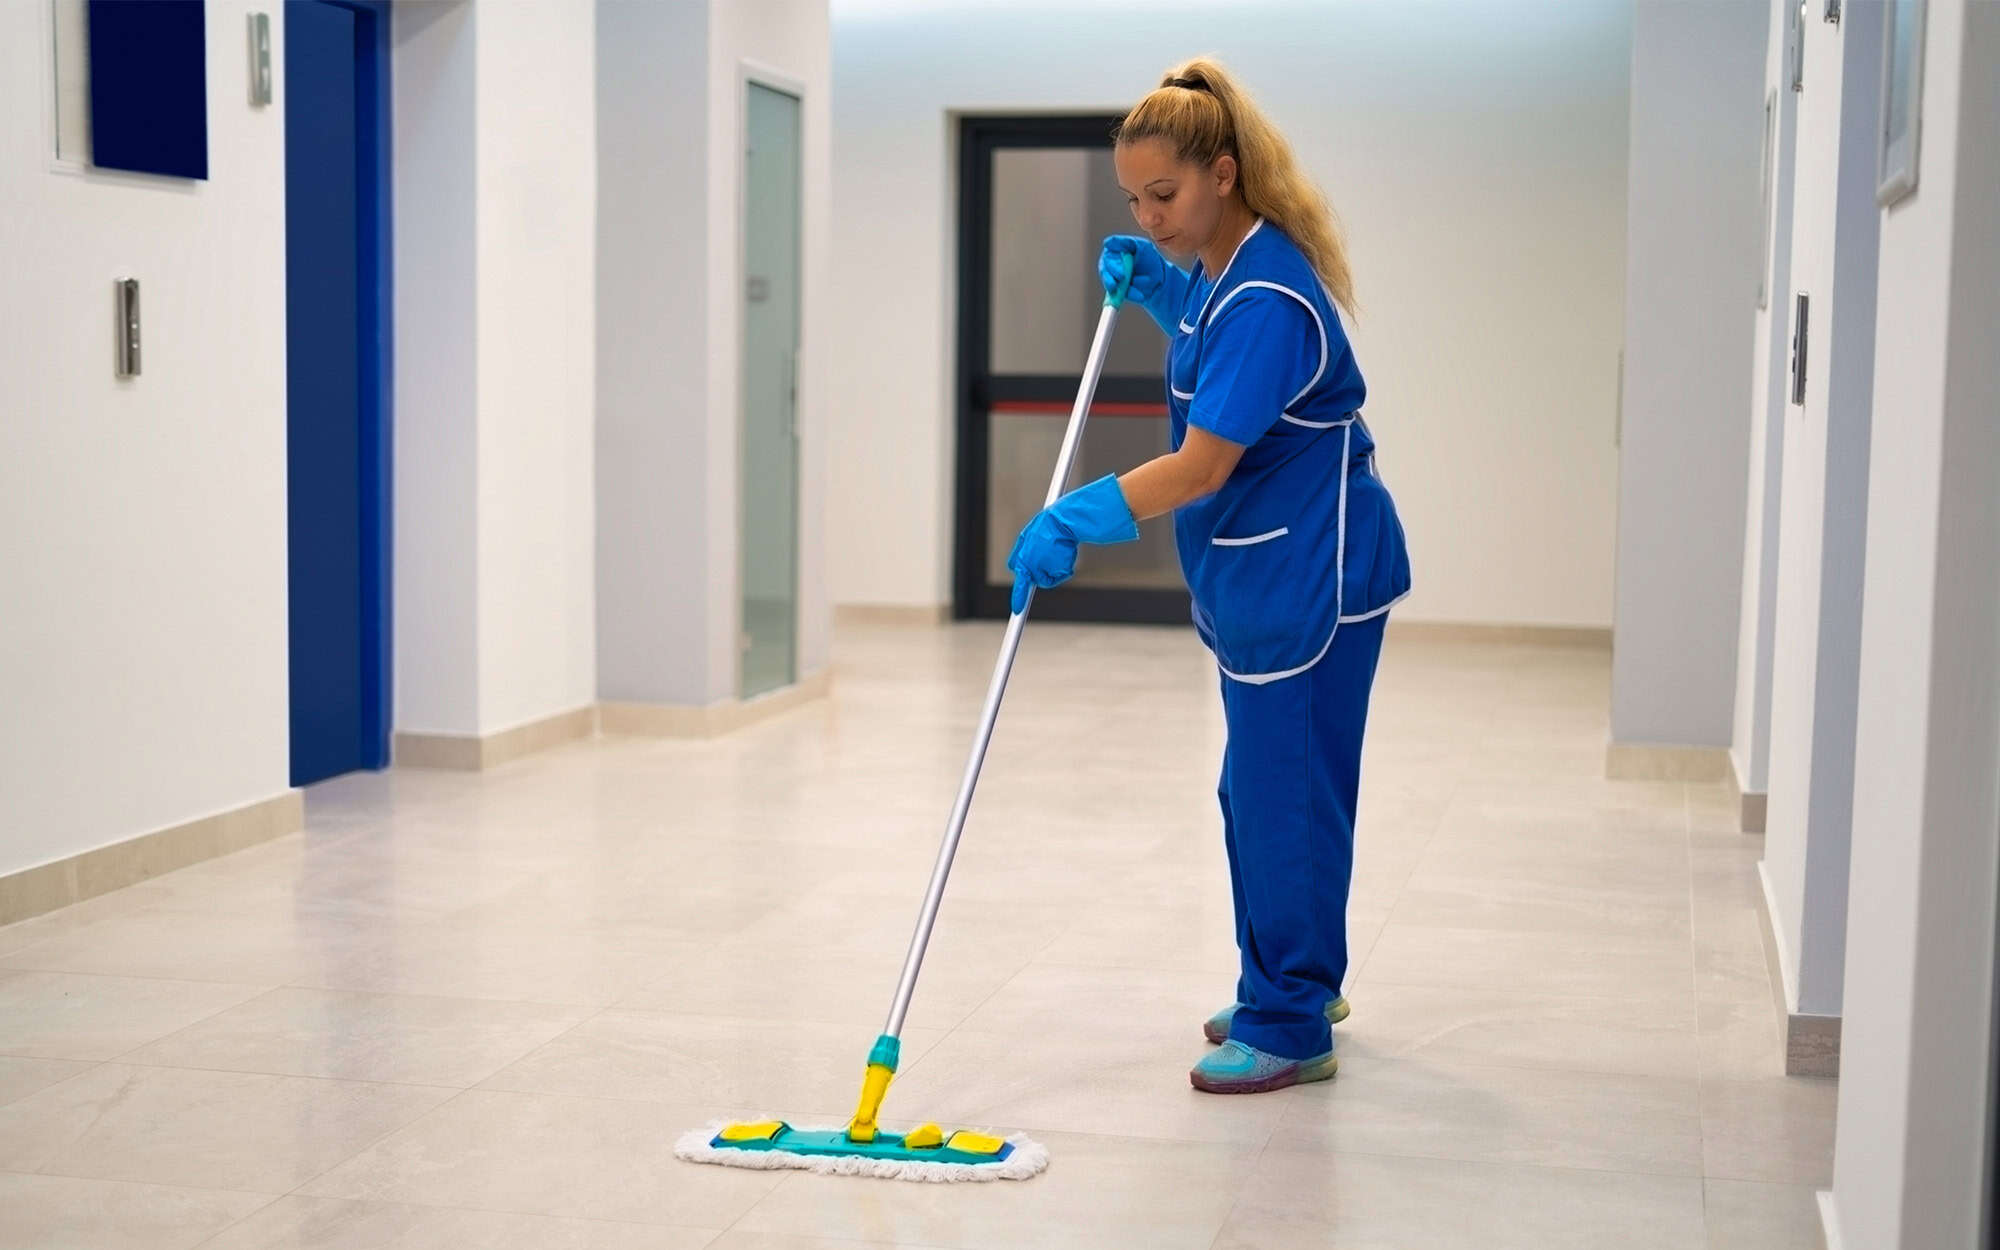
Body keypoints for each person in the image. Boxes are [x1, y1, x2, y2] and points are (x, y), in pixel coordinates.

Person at [1007, 57, 1412, 1094]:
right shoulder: (1224, 277)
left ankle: (1285, 1018)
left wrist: (1077, 514)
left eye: (1164, 196)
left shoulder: (1264, 294)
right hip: (1276, 568)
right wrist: (1158, 293)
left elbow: (1201, 461)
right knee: (1279, 786)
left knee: (1279, 792)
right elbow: (1214, 353)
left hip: (1303, 574)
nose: (1148, 217)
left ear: (1222, 174)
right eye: (1132, 199)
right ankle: (1296, 979)